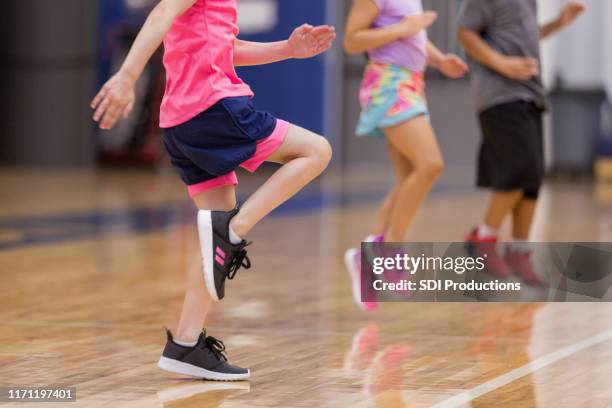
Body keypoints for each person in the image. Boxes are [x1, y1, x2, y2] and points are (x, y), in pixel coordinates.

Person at [91, 0, 336, 380]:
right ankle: (233, 232)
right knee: (317, 151)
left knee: (214, 233)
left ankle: (186, 343)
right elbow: (160, 15)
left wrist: (287, 49)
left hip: (182, 123)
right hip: (213, 108)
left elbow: (224, 48)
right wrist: (127, 75)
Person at [342, 0, 468, 311]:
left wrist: (439, 60)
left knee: (407, 178)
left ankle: (367, 258)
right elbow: (351, 40)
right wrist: (403, 28)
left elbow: (413, 37)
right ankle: (390, 249)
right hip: (389, 84)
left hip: (412, 83)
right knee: (430, 165)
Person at [458, 0, 585, 285]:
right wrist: (501, 63)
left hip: (529, 94)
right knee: (518, 169)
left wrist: (558, 23)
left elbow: (519, 39)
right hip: (499, 95)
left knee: (532, 178)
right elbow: (465, 34)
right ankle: (483, 237)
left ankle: (519, 252)